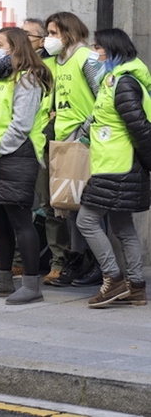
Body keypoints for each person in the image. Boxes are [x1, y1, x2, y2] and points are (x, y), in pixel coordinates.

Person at [0, 27, 54, 304]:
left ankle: (31, 285)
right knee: (0, 222)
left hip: (14, 156)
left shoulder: (28, 79)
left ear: (16, 47)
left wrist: (0, 149)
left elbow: (22, 123)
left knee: (20, 223)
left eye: (0, 43)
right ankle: (2, 279)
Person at [76, 28, 151, 307]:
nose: (95, 53)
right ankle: (136, 286)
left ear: (113, 49)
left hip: (118, 166)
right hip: (114, 163)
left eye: (99, 48)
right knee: (122, 225)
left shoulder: (125, 82)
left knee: (87, 220)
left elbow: (140, 128)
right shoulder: (114, 79)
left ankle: (113, 279)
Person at [43, 12, 104, 288]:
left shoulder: (85, 58)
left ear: (68, 33)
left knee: (87, 208)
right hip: (62, 141)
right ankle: (79, 260)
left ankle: (97, 264)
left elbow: (104, 95)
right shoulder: (57, 62)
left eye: (54, 33)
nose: (49, 38)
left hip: (83, 142)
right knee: (69, 206)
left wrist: (86, 131)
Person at [21, 17, 70, 282]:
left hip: (50, 144)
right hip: (26, 143)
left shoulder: (57, 65)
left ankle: (59, 262)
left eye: (29, 35)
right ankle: (19, 261)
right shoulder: (30, 66)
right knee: (26, 205)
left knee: (52, 207)